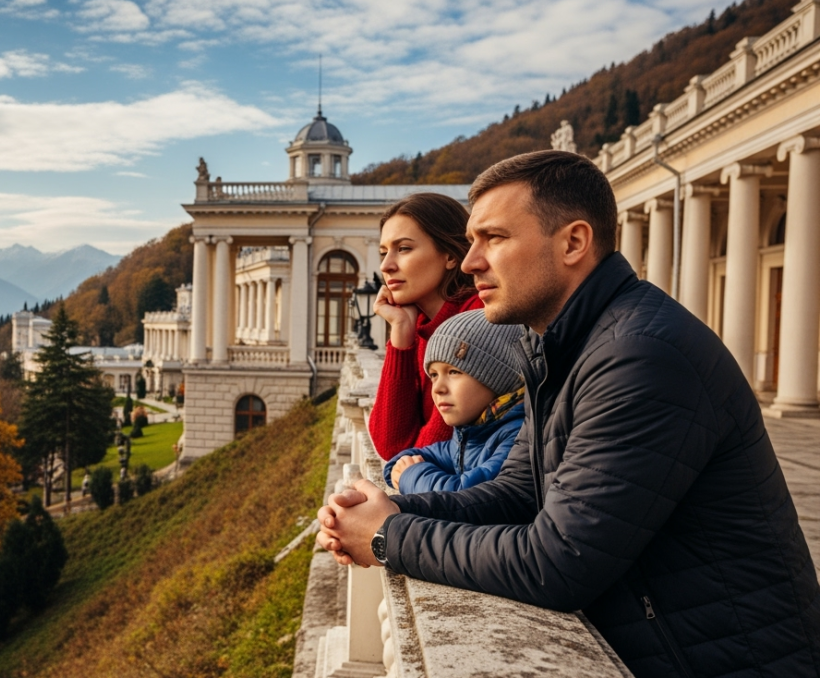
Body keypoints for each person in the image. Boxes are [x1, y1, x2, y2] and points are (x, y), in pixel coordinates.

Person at [317, 150, 820, 677]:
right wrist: (392, 507)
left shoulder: (640, 355)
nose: (469, 263)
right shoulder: (562, 347)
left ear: (574, 242)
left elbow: (556, 563)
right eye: (471, 241)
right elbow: (517, 493)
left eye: (495, 238)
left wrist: (387, 537)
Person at [367, 193, 483, 461]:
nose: (386, 265)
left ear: (451, 256)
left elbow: (427, 454)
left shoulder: (475, 318)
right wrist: (401, 337)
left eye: (403, 248)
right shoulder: (420, 325)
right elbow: (389, 445)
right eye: (384, 252)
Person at [383, 310, 524, 494]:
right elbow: (417, 455)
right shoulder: (468, 434)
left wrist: (411, 474)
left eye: (453, 372)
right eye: (433, 375)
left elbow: (464, 496)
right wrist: (398, 466)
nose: (438, 388)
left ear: (498, 378)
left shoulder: (517, 435)